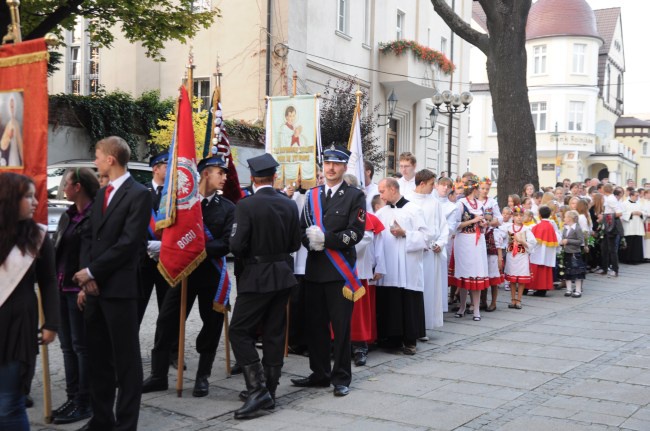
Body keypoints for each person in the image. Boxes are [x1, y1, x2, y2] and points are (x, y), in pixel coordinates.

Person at [72, 136, 152, 431]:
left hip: (120, 290)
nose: (94, 161)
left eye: (96, 155)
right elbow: (89, 236)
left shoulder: (139, 194)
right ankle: (102, 418)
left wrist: (93, 272)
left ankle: (125, 424)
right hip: (95, 291)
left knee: (126, 361)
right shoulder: (103, 193)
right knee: (99, 359)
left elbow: (129, 243)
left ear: (110, 159)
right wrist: (85, 279)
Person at [142, 155, 235, 398]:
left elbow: (227, 244)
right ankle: (158, 375)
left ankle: (202, 376)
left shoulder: (228, 208)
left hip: (211, 275)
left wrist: (196, 249)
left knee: (212, 323)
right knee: (166, 321)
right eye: (220, 173)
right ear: (205, 174)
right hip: (183, 273)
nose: (225, 178)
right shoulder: (184, 204)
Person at [228, 154, 301, 419]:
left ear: (253, 178)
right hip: (282, 275)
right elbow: (295, 243)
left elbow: (235, 245)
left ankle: (258, 391)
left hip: (257, 276)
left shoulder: (246, 205)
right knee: (274, 332)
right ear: (273, 177)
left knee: (238, 331)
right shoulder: (289, 204)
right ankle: (269, 390)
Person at [291, 144, 365, 397]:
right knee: (315, 326)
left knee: (341, 327)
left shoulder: (355, 195)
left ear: (344, 167)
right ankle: (319, 373)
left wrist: (328, 240)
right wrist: (309, 240)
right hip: (314, 271)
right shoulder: (312, 195)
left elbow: (356, 232)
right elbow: (302, 229)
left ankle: (341, 376)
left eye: (336, 164)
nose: (331, 168)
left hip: (339, 274)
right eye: (327, 163)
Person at [0, 173, 58, 431]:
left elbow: (48, 282)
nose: (35, 202)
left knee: (9, 403)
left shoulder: (39, 237)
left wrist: (52, 323)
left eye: (35, 196)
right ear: (9, 199)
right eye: (28, 196)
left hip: (18, 328)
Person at [52, 168, 99, 425]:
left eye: (66, 183)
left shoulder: (93, 216)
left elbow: (91, 254)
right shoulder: (68, 215)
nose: (63, 188)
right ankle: (72, 397)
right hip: (61, 288)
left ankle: (84, 401)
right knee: (67, 347)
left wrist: (85, 285)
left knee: (81, 348)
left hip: (78, 292)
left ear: (78, 187)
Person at [375, 177, 429, 353]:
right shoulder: (381, 213)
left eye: (382, 191)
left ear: (392, 189)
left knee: (407, 300)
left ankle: (410, 341)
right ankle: (391, 339)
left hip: (408, 265)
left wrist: (405, 233)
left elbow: (426, 237)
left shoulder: (413, 210)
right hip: (389, 264)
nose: (380, 195)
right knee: (390, 301)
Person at [406, 170, 449, 331]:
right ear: (422, 184)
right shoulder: (407, 200)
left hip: (431, 252)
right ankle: (412, 325)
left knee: (429, 290)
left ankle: (425, 325)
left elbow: (443, 228)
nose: (434, 187)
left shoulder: (435, 203)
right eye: (432, 184)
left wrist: (440, 243)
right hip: (413, 252)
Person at [138, 150, 171, 323]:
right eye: (167, 166)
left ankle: (165, 349)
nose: (170, 169)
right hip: (144, 259)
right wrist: (147, 245)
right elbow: (134, 223)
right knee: (137, 307)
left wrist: (164, 245)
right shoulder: (141, 191)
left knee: (167, 309)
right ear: (155, 169)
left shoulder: (175, 195)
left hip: (167, 259)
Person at [452, 177, 489, 321]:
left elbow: (484, 222)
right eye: (479, 188)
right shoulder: (460, 204)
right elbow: (455, 225)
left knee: (477, 273)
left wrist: (483, 223)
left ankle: (476, 309)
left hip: (478, 241)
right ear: (474, 190)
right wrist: (474, 220)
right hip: (464, 241)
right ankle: (462, 306)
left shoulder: (480, 204)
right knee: (465, 273)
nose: (481, 191)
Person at [501, 206, 536, 309]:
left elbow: (533, 242)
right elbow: (500, 236)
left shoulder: (526, 229)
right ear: (513, 217)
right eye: (516, 215)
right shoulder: (508, 228)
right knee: (512, 279)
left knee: (521, 279)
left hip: (522, 255)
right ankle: (512, 299)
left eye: (521, 215)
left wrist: (522, 241)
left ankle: (519, 300)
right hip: (511, 255)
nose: (519, 218)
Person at [529, 206, 560, 297]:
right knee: (545, 271)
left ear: (539, 215)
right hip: (548, 254)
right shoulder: (551, 226)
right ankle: (543, 289)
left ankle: (533, 287)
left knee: (535, 271)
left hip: (537, 253)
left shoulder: (537, 226)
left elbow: (532, 240)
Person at [561, 210, 587, 297]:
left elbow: (580, 241)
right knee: (567, 270)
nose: (564, 218)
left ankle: (578, 290)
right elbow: (563, 237)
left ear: (570, 218)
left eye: (565, 217)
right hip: (567, 252)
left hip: (575, 253)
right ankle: (568, 289)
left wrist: (568, 241)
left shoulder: (577, 228)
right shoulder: (566, 228)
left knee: (577, 271)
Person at [599, 184, 623, 277]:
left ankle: (615, 269)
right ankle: (604, 268)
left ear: (604, 190)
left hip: (611, 226)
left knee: (612, 249)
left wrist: (606, 216)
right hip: (607, 225)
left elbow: (618, 213)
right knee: (604, 248)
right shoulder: (609, 198)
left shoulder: (611, 199)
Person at [619, 189, 646, 264]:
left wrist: (641, 213)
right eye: (636, 196)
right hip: (629, 226)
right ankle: (627, 259)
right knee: (629, 242)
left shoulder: (640, 203)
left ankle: (636, 259)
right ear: (631, 195)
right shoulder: (624, 203)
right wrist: (631, 213)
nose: (638, 197)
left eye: (638, 196)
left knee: (637, 243)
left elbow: (644, 212)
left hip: (638, 226)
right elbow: (622, 214)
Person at [0, 96, 24, 167]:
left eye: (13, 107)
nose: (12, 109)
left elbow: (20, 144)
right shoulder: (9, 124)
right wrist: (9, 137)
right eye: (10, 107)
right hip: (10, 155)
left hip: (15, 154)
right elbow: (3, 145)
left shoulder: (16, 123)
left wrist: (24, 160)